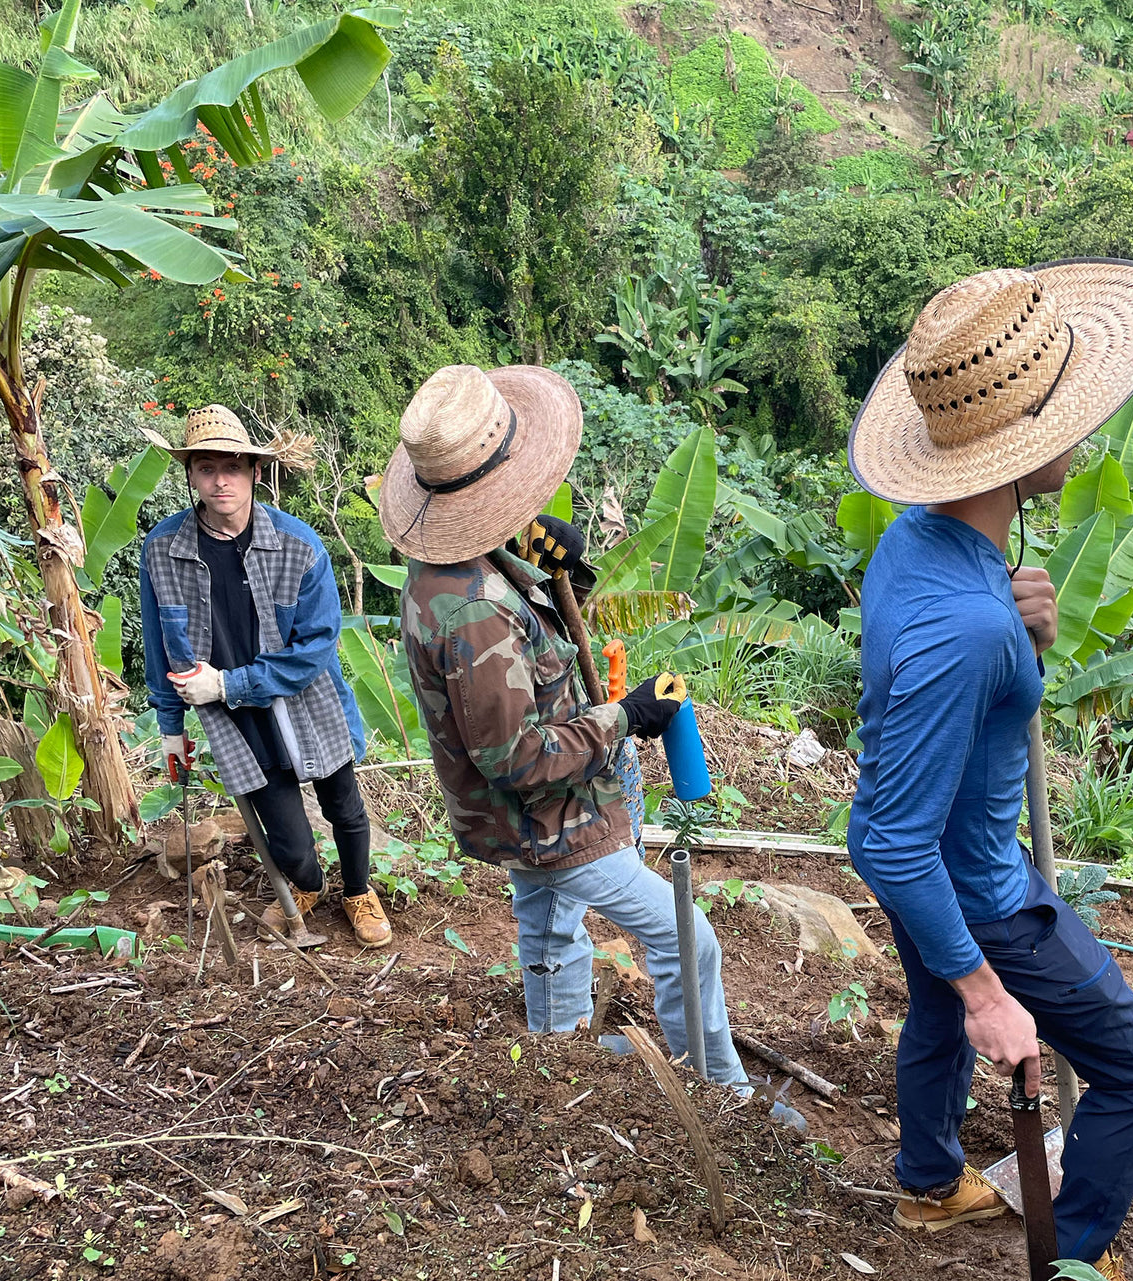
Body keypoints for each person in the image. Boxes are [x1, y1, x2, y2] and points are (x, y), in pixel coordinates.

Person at [845, 262, 1133, 1279]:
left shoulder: (921, 544)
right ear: (1017, 449)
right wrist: (990, 987)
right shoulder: (967, 624)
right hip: (981, 893)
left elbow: (955, 701)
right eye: (1067, 416)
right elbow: (887, 843)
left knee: (933, 1010)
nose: (1085, 435)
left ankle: (928, 1184)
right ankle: (1067, 1256)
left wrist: (1027, 640)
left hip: (945, 873)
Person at [382, 363, 748, 1084]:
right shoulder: (473, 610)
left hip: (529, 818)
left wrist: (559, 574)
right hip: (546, 818)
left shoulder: (458, 569)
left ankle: (556, 1061)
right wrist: (626, 713)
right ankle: (718, 1089)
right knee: (686, 937)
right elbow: (518, 758)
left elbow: (525, 658)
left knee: (551, 926)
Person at [139, 406, 391, 949]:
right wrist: (170, 723)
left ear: (255, 471)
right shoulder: (163, 549)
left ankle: (358, 891)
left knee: (343, 806)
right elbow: (159, 641)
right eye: (206, 468)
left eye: (233, 467)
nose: (220, 480)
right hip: (232, 717)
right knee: (287, 835)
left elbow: (317, 647)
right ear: (190, 475)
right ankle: (308, 885)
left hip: (304, 698)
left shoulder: (299, 545)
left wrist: (228, 683)